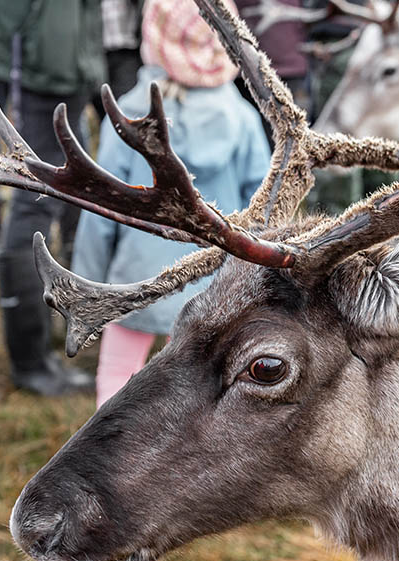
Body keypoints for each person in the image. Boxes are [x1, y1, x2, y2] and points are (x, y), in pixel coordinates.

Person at [71, 0, 271, 408]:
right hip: (216, 283)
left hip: (138, 280)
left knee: (116, 379)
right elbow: (265, 208)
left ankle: (110, 461)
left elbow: (101, 206)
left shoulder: (129, 115)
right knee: (196, 388)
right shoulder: (244, 119)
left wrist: (84, 281)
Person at [0, 0, 103, 396]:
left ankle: (50, 347)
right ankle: (30, 360)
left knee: (58, 201)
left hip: (66, 70)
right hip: (40, 73)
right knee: (32, 205)